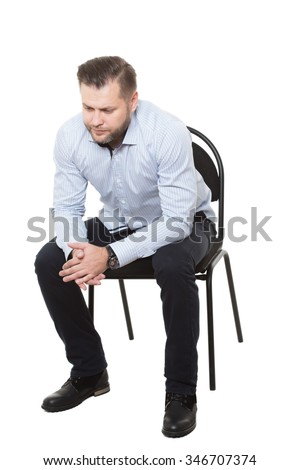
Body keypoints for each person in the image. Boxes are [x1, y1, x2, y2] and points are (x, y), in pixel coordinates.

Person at [35, 56, 215, 438]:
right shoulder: (71, 135)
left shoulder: (165, 131)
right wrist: (78, 251)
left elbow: (176, 222)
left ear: (132, 102)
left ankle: (181, 393)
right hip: (120, 222)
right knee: (49, 259)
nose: (95, 120)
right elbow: (67, 209)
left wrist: (111, 256)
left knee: (171, 263)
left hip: (187, 221)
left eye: (107, 109)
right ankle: (89, 372)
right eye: (87, 107)